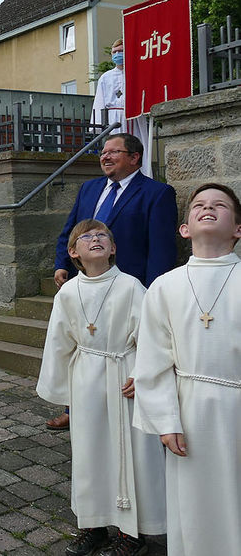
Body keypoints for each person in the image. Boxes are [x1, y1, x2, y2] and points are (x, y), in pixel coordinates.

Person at [37, 219, 165, 556]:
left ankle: (131, 532)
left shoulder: (131, 287)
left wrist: (143, 374)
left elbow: (151, 336)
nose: (95, 239)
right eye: (86, 237)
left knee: (130, 451)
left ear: (113, 248)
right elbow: (58, 341)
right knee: (89, 452)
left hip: (124, 376)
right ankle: (93, 526)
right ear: (73, 252)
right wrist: (62, 389)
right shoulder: (67, 292)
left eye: (102, 236)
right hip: (86, 380)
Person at [132, 183, 241, 556]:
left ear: (238, 229)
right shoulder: (164, 287)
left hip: (236, 408)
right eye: (198, 205)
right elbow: (153, 361)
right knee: (195, 505)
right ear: (184, 229)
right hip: (189, 412)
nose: (207, 208)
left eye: (220, 205)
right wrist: (165, 420)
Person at [47, 133, 177, 430]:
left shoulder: (157, 194)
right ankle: (74, 406)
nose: (105, 157)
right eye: (103, 152)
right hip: (88, 285)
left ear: (135, 158)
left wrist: (153, 294)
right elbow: (71, 230)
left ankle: (130, 405)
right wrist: (61, 264)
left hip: (127, 289)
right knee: (85, 345)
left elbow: (161, 250)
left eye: (114, 152)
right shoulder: (89, 189)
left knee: (122, 350)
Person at [92, 38, 151, 177]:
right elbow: (100, 100)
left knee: (137, 145)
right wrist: (97, 125)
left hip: (134, 116)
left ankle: (142, 175)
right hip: (114, 117)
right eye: (115, 52)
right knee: (116, 148)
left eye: (121, 51)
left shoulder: (138, 73)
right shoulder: (106, 77)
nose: (117, 54)